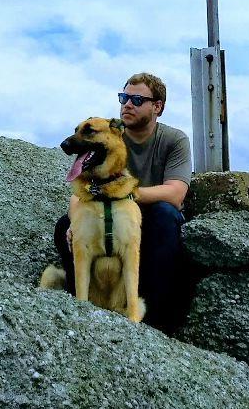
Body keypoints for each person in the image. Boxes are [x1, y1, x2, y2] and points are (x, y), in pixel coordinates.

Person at [53, 72, 193, 335]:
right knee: (64, 227)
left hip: (150, 218)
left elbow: (175, 194)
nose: (128, 104)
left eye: (137, 99)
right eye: (124, 97)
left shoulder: (174, 141)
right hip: (111, 216)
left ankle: (155, 320)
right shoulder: (108, 139)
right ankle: (80, 306)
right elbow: (81, 191)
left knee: (166, 216)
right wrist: (75, 222)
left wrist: (124, 192)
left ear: (157, 107)